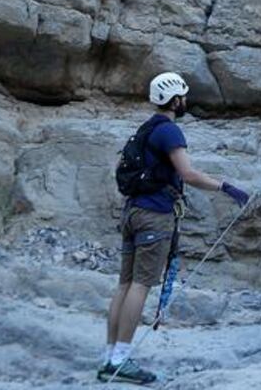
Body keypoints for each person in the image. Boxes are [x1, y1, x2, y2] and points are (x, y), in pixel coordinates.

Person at [99, 72, 250, 385]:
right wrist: (226, 187)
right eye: (184, 96)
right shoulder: (169, 131)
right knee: (141, 285)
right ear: (175, 99)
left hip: (132, 212)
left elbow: (119, 169)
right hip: (155, 216)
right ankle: (121, 360)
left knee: (124, 285)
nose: (186, 101)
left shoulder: (144, 129)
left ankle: (109, 357)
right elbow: (188, 174)